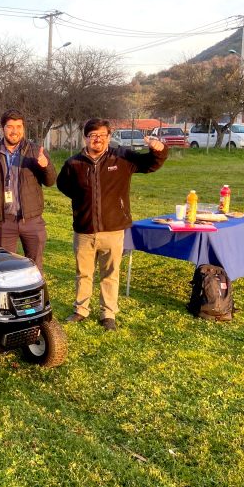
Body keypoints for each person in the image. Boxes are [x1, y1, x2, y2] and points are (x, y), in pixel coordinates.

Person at [56, 118, 168, 331]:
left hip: (113, 229)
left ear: (109, 137)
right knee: (83, 273)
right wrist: (82, 201)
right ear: (86, 138)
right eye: (92, 135)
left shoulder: (122, 157)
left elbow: (150, 165)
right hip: (84, 230)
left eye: (101, 135)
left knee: (110, 274)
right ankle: (81, 310)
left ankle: (108, 314)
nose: (97, 139)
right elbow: (63, 185)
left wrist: (159, 150)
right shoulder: (73, 163)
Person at [0, 108, 56, 270]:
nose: (15, 131)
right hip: (5, 221)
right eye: (10, 126)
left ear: (23, 128)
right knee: (5, 269)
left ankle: (33, 295)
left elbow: (50, 181)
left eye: (19, 126)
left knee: (34, 268)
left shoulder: (35, 151)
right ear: (3, 129)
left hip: (32, 221)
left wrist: (45, 166)